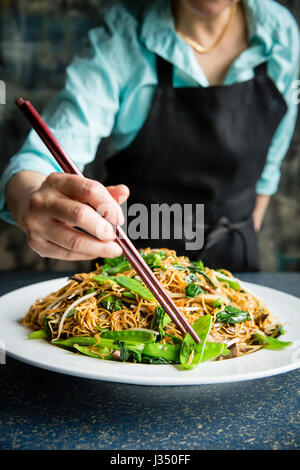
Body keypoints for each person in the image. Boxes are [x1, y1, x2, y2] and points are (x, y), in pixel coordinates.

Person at [0, 0, 299, 271]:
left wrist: (246, 233)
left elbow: (268, 171)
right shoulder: (121, 37)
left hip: (236, 267)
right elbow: (40, 160)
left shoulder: (280, 32)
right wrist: (31, 201)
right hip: (133, 272)